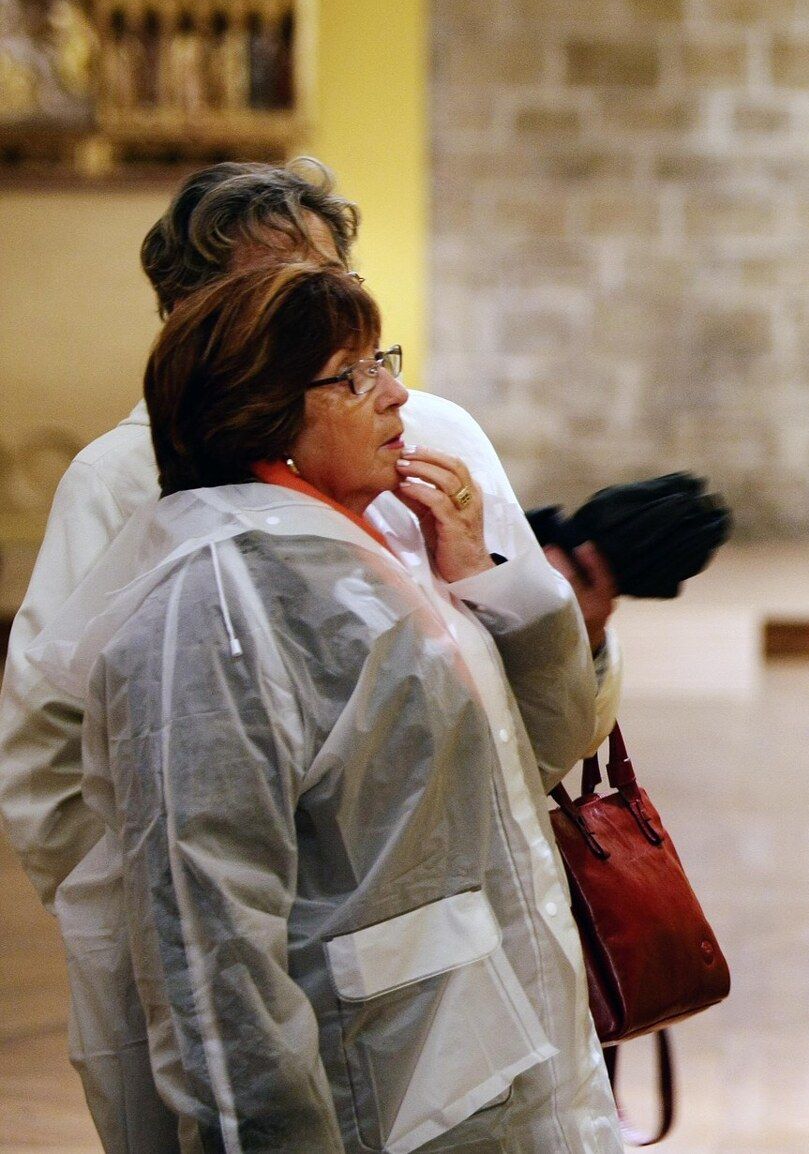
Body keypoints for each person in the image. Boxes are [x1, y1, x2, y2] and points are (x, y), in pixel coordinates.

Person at [0, 158, 622, 1152]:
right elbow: (199, 911)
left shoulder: (413, 459)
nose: (395, 391)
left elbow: (522, 746)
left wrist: (505, 586)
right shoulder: (200, 580)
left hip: (483, 1008)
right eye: (341, 357)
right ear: (231, 353)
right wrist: (148, 970)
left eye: (363, 335)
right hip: (355, 1031)